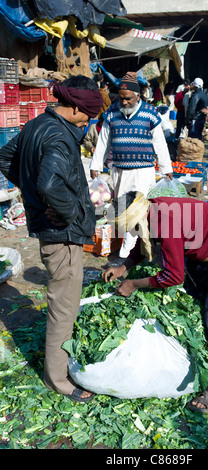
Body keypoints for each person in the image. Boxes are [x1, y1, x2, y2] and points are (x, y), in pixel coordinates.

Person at [0, 75, 104, 402]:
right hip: (61, 233)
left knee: (63, 299)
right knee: (63, 307)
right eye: (88, 114)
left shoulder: (37, 124)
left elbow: (5, 158)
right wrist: (71, 212)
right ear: (73, 107)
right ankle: (57, 379)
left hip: (47, 226)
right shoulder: (59, 137)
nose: (89, 121)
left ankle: (59, 363)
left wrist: (27, 189)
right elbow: (50, 184)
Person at [102, 190, 208, 413]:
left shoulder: (164, 222)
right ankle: (205, 360)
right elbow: (144, 243)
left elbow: (174, 276)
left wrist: (134, 283)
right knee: (199, 304)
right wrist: (124, 266)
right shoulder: (150, 209)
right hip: (204, 250)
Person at [89, 71, 173, 258]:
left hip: (142, 172)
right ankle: (133, 249)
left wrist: (166, 168)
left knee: (138, 211)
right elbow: (104, 141)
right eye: (121, 98)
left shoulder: (150, 114)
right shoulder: (112, 113)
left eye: (128, 99)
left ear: (137, 96)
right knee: (123, 211)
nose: (124, 102)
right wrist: (96, 165)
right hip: (119, 171)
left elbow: (160, 143)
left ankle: (129, 252)